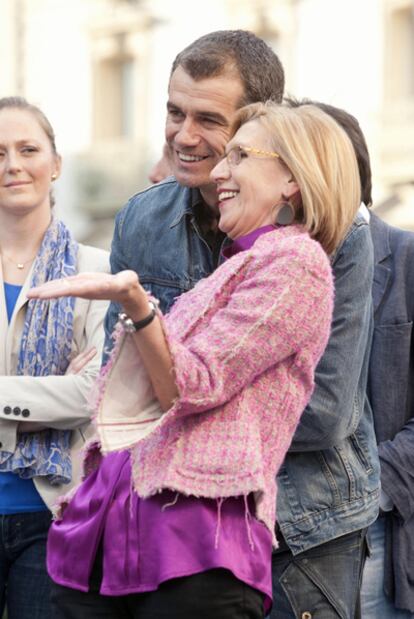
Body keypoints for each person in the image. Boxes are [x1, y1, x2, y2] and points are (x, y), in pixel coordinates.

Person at [28, 101, 362, 619]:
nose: (221, 170)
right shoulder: (236, 267)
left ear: (293, 179)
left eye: (240, 155)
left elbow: (192, 383)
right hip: (111, 538)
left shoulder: (297, 262)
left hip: (191, 549)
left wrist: (138, 307)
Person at [0, 96, 109, 619]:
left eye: (27, 149)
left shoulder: (97, 273)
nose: (12, 165)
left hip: (55, 512)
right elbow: (69, 395)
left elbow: (92, 393)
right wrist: (51, 393)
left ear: (56, 163)